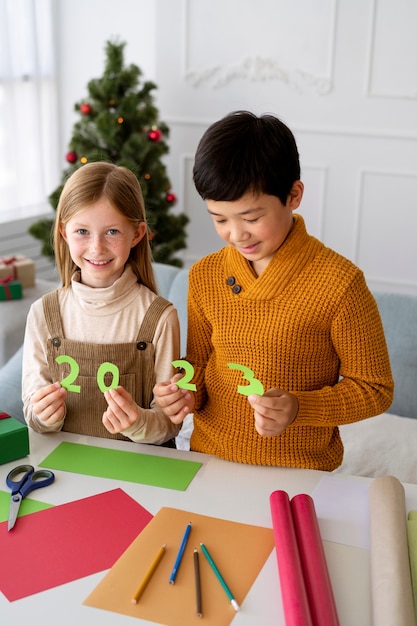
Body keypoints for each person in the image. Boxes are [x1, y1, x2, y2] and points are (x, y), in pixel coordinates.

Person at [153, 110, 394, 469]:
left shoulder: (340, 283)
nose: (237, 234)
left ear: (293, 195)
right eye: (219, 218)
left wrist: (299, 407)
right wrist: (183, 393)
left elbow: (375, 389)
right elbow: (199, 365)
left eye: (251, 218)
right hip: (208, 465)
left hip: (300, 475)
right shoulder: (205, 275)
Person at [22, 162, 180, 445]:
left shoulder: (160, 317)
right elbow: (33, 414)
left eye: (112, 232)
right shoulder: (43, 313)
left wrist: (139, 422)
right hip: (67, 470)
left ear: (137, 234)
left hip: (141, 474)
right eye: (82, 231)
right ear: (63, 232)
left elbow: (170, 422)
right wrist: (44, 416)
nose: (96, 248)